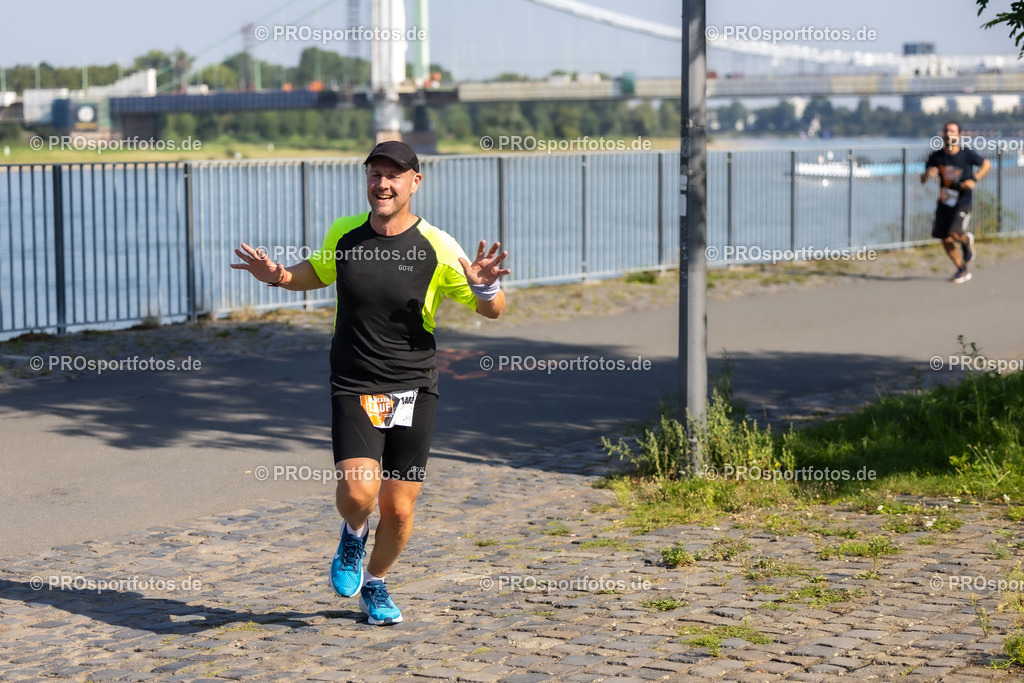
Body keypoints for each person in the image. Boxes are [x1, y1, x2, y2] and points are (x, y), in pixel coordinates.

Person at [231, 141, 509, 625]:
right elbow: (316, 272)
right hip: (355, 381)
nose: (382, 183)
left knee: (399, 511)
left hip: (414, 387)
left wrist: (485, 286)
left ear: (414, 183)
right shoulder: (345, 233)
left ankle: (376, 583)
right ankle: (353, 533)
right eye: (374, 174)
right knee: (361, 493)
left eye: (393, 176)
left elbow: (493, 309)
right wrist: (276, 275)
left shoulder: (439, 246)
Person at [921, 121, 991, 284]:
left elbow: (987, 164)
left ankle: (966, 240)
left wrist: (974, 179)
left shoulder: (966, 154)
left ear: (958, 136)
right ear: (942, 135)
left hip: (963, 200)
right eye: (946, 131)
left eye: (952, 131)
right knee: (945, 239)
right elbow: (923, 178)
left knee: (954, 233)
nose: (948, 133)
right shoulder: (936, 156)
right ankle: (962, 269)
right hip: (944, 202)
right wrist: (927, 175)